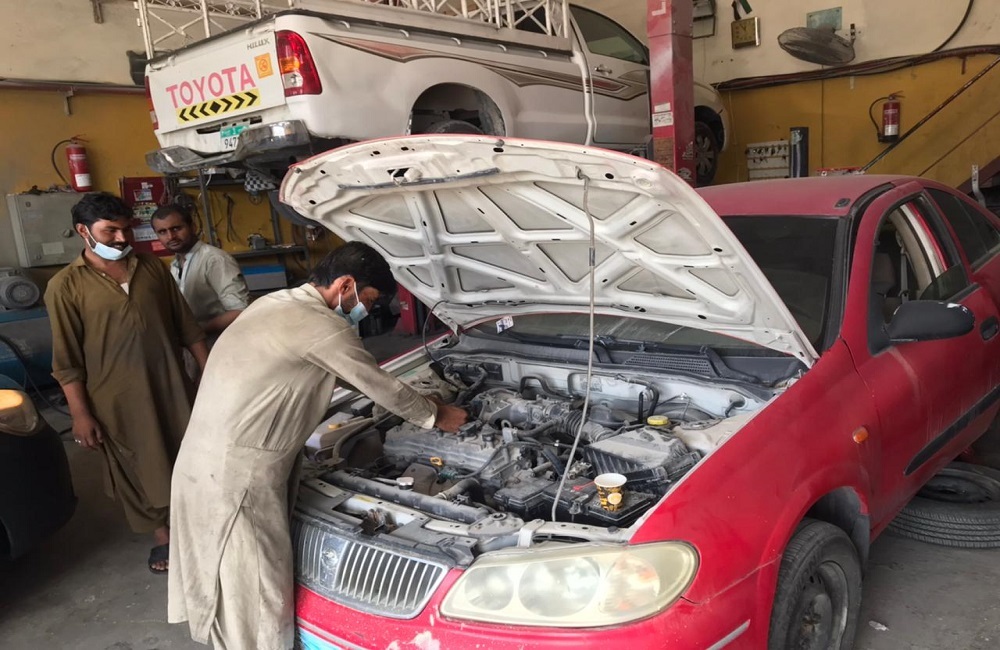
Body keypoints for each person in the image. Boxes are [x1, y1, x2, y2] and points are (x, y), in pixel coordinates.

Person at [168, 242, 468, 650]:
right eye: (368, 300)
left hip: (202, 462)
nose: (367, 311)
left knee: (227, 580)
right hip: (238, 480)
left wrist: (419, 398)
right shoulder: (321, 326)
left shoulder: (275, 305)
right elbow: (376, 383)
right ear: (345, 285)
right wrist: (437, 415)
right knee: (256, 594)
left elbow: (351, 377)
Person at [44, 192, 208, 574]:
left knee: (189, 454)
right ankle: (163, 536)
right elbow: (66, 362)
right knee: (137, 467)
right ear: (83, 231)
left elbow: (187, 326)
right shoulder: (64, 286)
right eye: (110, 231)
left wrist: (209, 373)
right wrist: (81, 414)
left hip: (171, 384)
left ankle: (200, 526)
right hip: (115, 397)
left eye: (126, 230)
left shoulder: (150, 268)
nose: (121, 239)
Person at [151, 204, 250, 339]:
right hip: (198, 343)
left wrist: (196, 331)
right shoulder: (175, 264)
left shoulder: (214, 259)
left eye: (176, 228)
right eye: (162, 232)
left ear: (193, 227)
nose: (171, 236)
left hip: (223, 342)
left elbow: (240, 311)